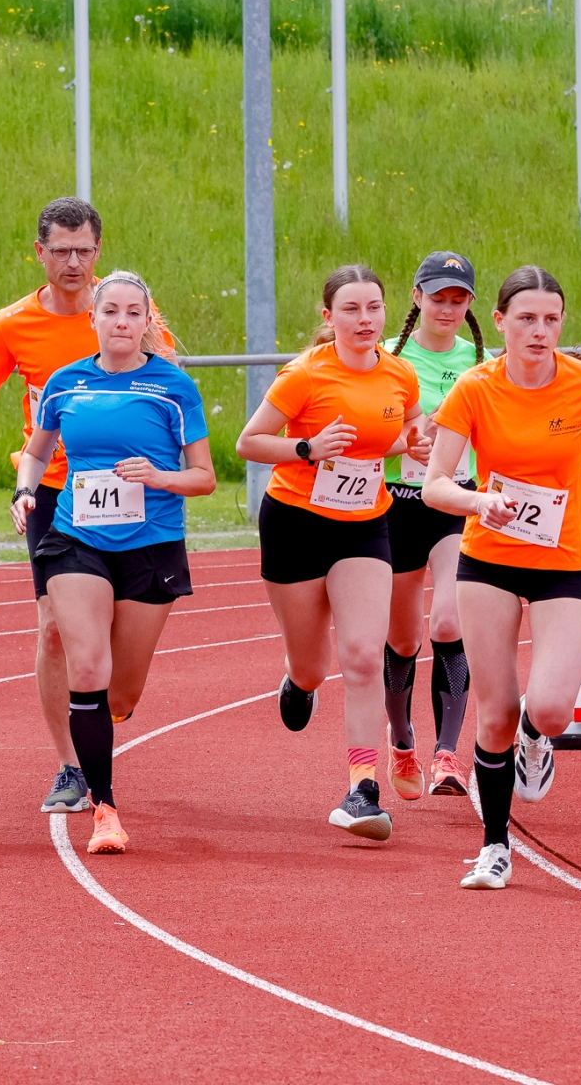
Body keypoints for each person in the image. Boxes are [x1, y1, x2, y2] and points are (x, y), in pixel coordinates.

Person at [420, 266, 581, 890]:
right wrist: (479, 501)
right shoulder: (475, 388)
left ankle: (536, 738)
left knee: (548, 710)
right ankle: (495, 847)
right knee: (493, 713)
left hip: (562, 561)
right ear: (500, 323)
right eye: (526, 319)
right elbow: (435, 485)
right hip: (488, 560)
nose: (539, 331)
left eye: (551, 319)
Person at [0, 198, 177, 817]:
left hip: (128, 487)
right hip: (53, 490)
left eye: (84, 250)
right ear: (40, 252)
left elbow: (168, 384)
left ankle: (103, 705)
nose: (73, 262)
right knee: (54, 629)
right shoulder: (13, 324)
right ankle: (70, 765)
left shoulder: (125, 312)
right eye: (60, 250)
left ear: (98, 251)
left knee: (118, 669)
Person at [10, 272, 215, 854]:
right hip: (77, 537)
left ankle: (102, 722)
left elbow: (204, 477)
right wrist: (25, 491)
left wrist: (159, 477)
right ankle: (104, 809)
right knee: (86, 670)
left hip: (152, 544)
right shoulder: (65, 382)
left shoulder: (173, 387)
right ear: (93, 319)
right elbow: (37, 451)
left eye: (132, 313)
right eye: (111, 311)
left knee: (119, 695)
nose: (121, 321)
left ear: (147, 321)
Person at [236, 266, 424, 842]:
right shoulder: (305, 375)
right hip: (295, 523)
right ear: (329, 316)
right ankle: (298, 680)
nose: (365, 320)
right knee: (314, 665)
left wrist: (417, 442)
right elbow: (248, 442)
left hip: (364, 525)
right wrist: (307, 447)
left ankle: (361, 789)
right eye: (352, 309)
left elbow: (405, 432)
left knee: (364, 655)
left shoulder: (400, 374)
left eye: (374, 308)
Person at [381, 251, 487, 801]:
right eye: (438, 298)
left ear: (470, 303)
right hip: (397, 503)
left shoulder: (482, 362)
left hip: (454, 501)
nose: (447, 309)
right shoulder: (387, 358)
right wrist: (402, 442)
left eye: (458, 299)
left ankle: (448, 756)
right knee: (403, 637)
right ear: (417, 297)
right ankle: (402, 739)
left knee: (448, 621)